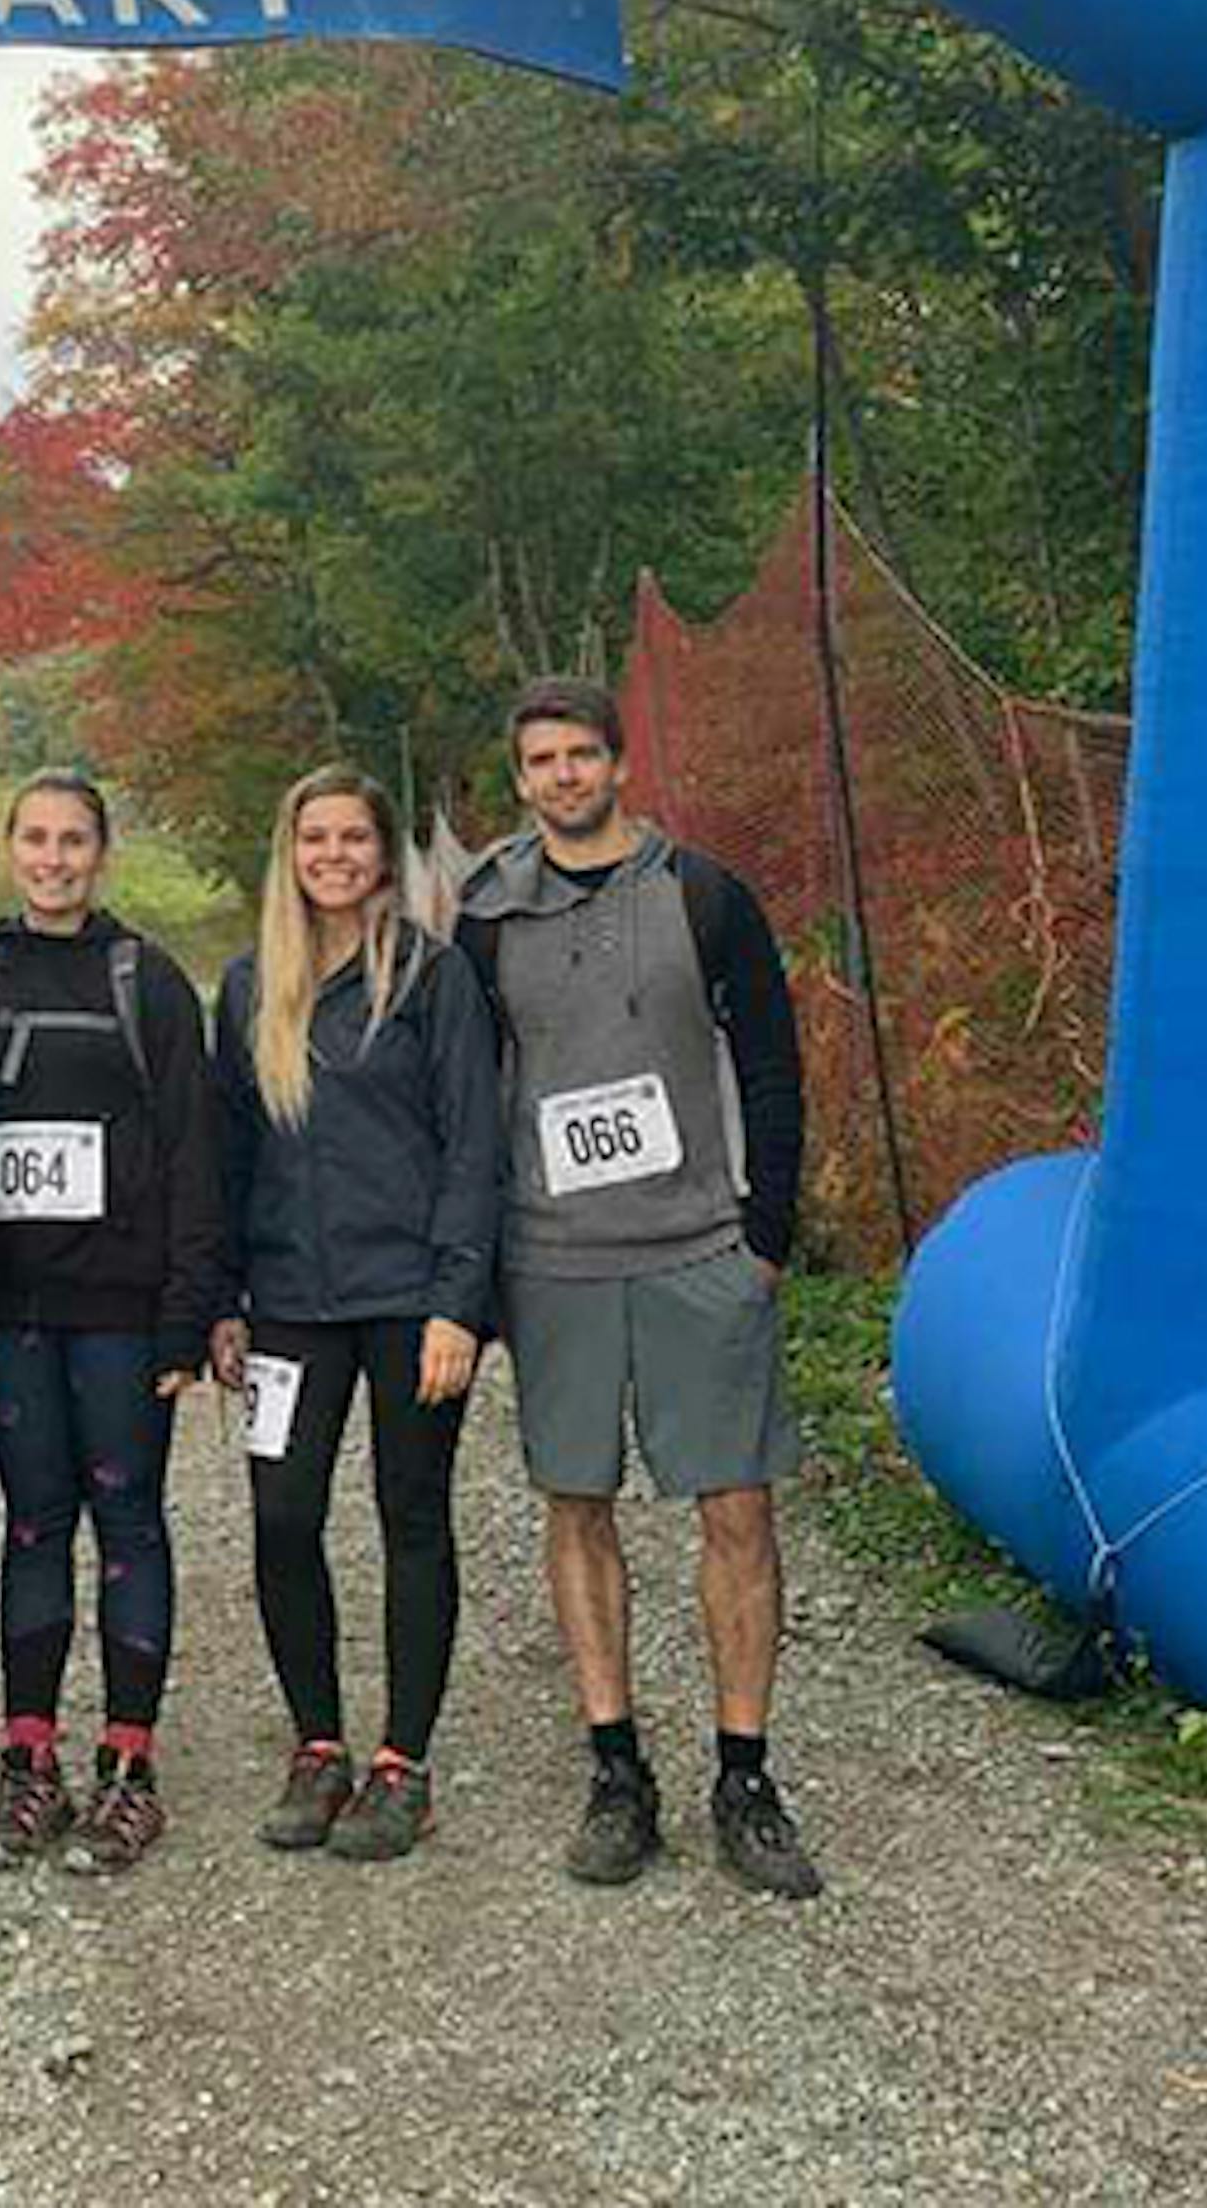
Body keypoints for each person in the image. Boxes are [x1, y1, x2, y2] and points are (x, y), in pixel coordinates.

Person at [454, 676, 818, 1899]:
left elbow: (771, 1062)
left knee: (737, 1513)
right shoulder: (485, 915)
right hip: (553, 1259)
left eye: (581, 755)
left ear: (620, 764)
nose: (562, 776)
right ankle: (617, 1770)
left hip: (698, 1250)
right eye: (540, 759)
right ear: (519, 779)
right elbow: (465, 1094)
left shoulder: (704, 896)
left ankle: (744, 1775)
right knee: (575, 1505)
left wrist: (765, 1236)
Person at [0, 773, 222, 1877]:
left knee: (130, 1522)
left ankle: (130, 1767)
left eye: (74, 842)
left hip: (119, 1312)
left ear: (103, 855)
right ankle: (29, 1757)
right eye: (37, 840)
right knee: (33, 1527)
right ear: (10, 850)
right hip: (8, 1315)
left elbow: (196, 1155)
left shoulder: (147, 982)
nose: (54, 859)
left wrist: (189, 1316)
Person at [209, 764, 497, 1864]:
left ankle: (400, 1763)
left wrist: (457, 1303)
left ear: (382, 853)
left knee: (410, 1515)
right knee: (284, 1517)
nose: (333, 855)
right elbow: (225, 1155)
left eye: (352, 838)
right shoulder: (247, 988)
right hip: (287, 1304)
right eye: (313, 838)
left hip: (408, 1301)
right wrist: (222, 1299)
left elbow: (474, 1146)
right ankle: (317, 1745)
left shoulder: (432, 979)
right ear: (289, 854)